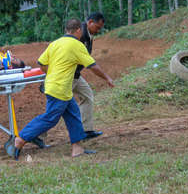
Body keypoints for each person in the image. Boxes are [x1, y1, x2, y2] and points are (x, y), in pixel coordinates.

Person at [14, 18, 114, 159]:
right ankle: (21, 139)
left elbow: (41, 63)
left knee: (73, 115)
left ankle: (77, 149)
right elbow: (93, 66)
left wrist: (53, 73)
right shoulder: (77, 45)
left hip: (56, 86)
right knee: (50, 118)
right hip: (59, 89)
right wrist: (107, 78)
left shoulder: (55, 43)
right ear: (78, 30)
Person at [73, 12, 108, 139]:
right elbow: (90, 64)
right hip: (67, 75)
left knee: (87, 96)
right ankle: (36, 134)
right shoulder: (80, 34)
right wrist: (107, 78)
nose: (98, 30)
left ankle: (86, 130)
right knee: (57, 108)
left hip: (75, 74)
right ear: (90, 22)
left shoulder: (88, 34)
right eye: (97, 27)